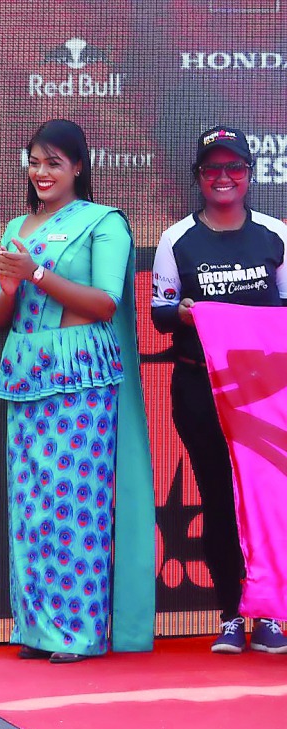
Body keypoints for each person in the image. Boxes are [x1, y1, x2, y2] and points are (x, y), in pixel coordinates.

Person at [0, 119, 155, 663]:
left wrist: (36, 273)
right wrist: (11, 287)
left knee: (76, 502)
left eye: (53, 163)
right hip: (26, 371)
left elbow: (105, 303)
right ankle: (36, 631)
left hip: (81, 370)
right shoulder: (19, 225)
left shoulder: (104, 223)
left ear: (78, 167)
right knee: (31, 504)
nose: (40, 172)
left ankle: (78, 634)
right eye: (34, 161)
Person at [150, 125, 287, 655]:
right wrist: (192, 313)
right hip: (199, 388)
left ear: (249, 175)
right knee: (218, 498)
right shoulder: (177, 238)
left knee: (266, 500)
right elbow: (163, 314)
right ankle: (232, 613)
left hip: (266, 394)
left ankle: (270, 613)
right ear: (199, 177)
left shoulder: (275, 234)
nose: (223, 178)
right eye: (213, 169)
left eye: (234, 168)